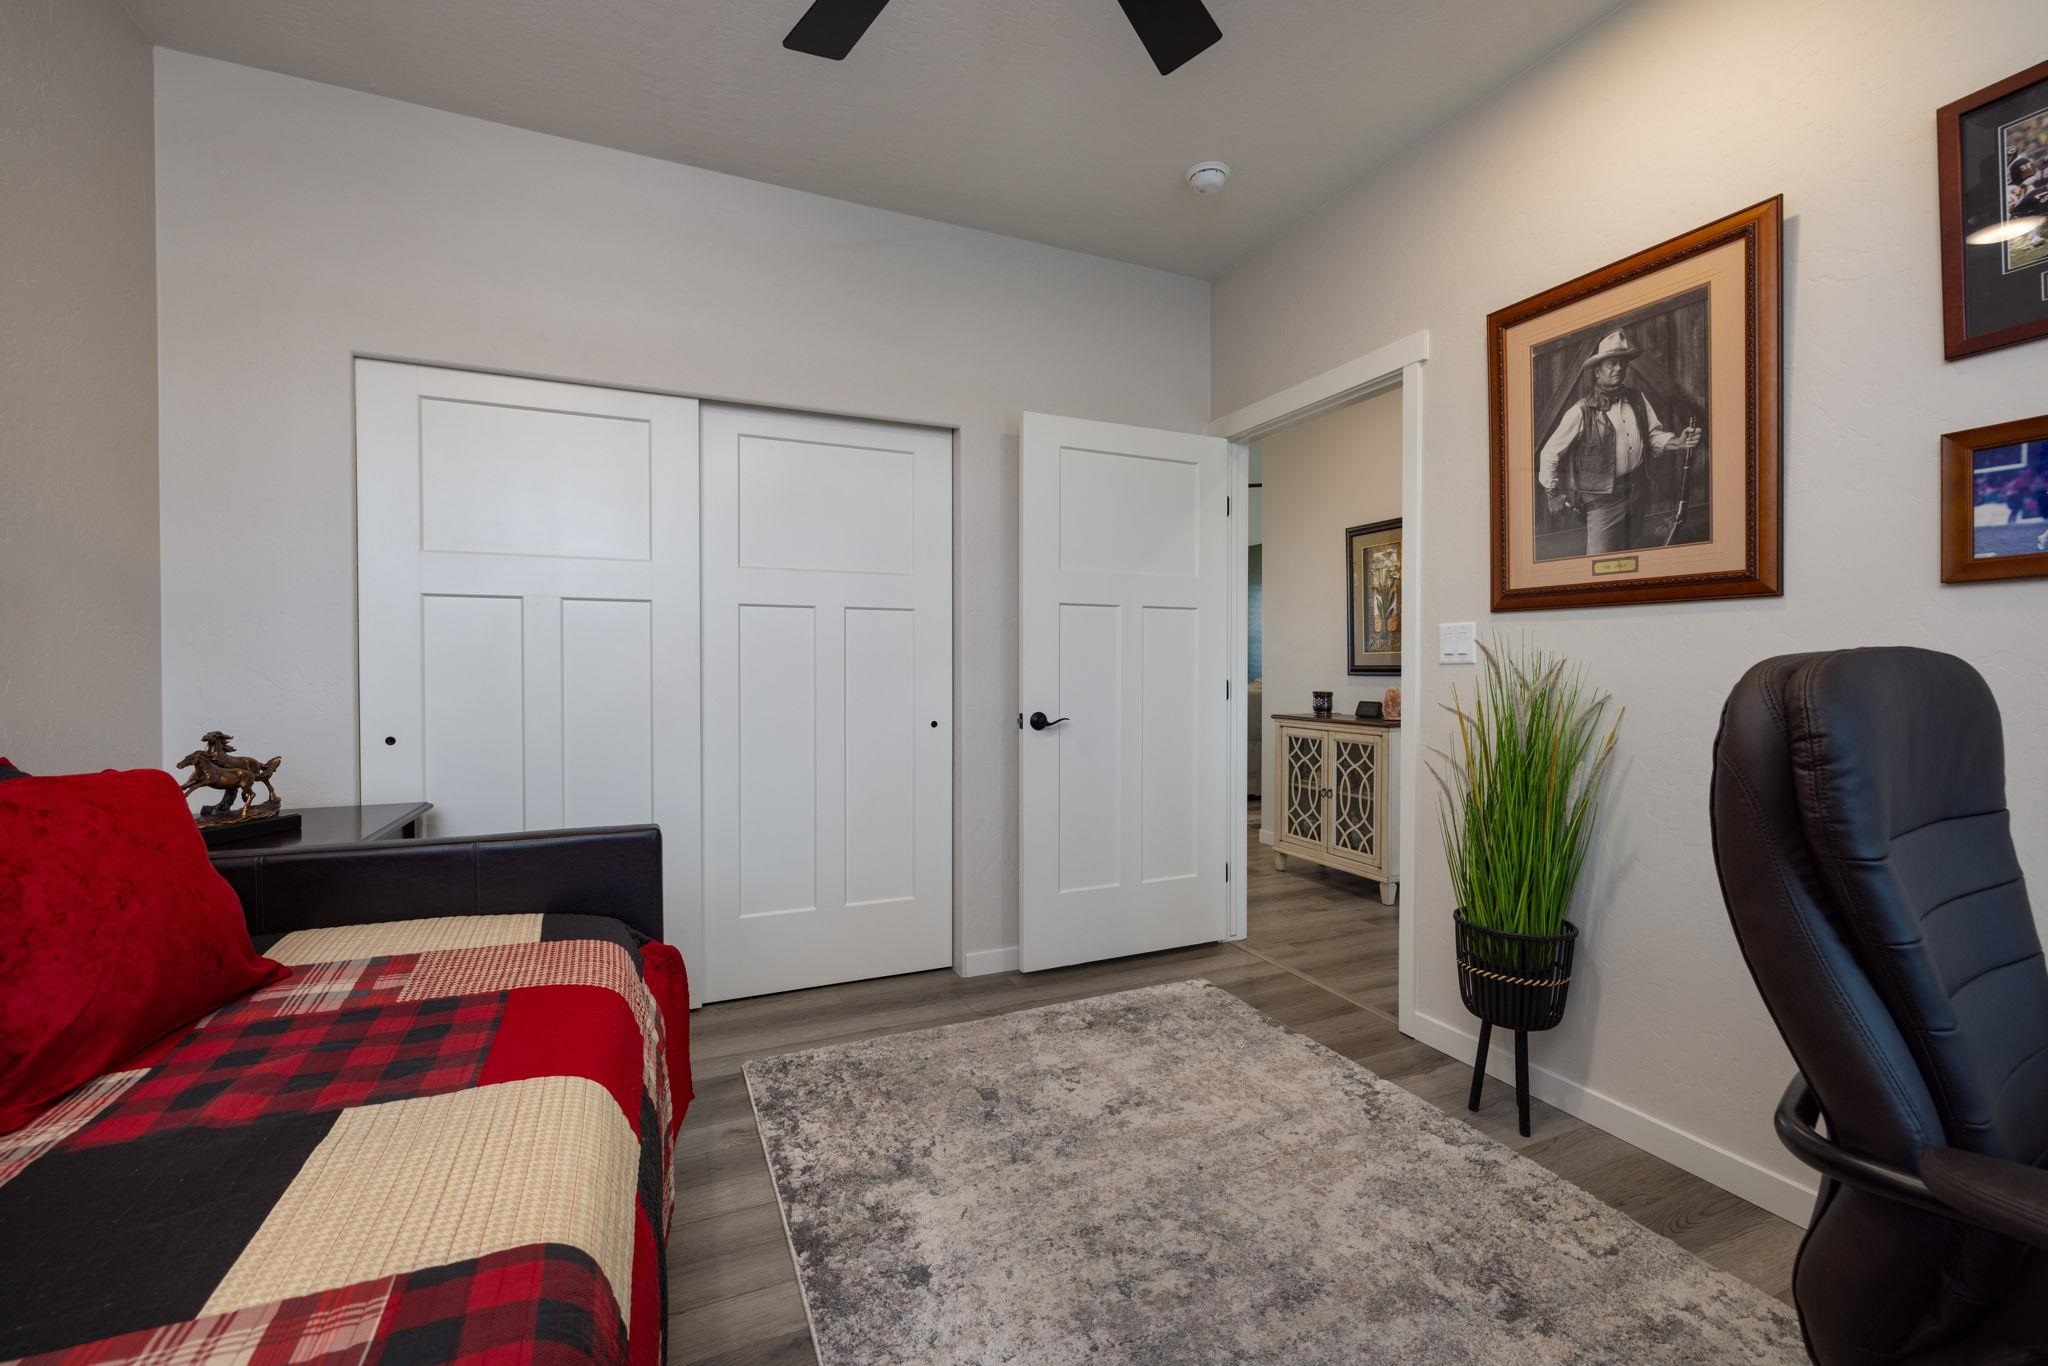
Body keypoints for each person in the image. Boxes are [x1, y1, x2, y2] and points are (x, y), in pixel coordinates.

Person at [1536, 329, 1702, 554]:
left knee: (1630, 558)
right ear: (1597, 371)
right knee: (1600, 565)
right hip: (1602, 504)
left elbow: (1652, 436)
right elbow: (1549, 453)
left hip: (1637, 494)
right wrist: (1552, 494)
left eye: (1622, 363)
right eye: (1611, 364)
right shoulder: (1581, 411)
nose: (1618, 369)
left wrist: (1678, 442)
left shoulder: (1638, 399)